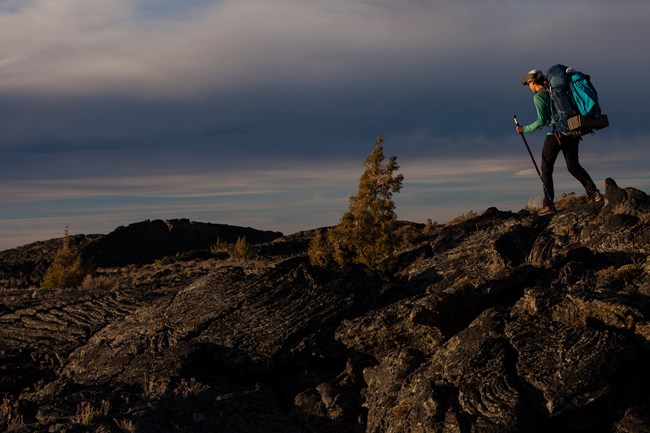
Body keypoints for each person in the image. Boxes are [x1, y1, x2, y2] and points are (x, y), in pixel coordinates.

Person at [516, 69, 602, 215]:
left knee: (546, 168)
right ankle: (595, 194)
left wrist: (524, 129)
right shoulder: (555, 91)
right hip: (572, 130)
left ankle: (549, 204)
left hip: (555, 134)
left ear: (532, 82)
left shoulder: (539, 97)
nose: (529, 87)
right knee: (573, 165)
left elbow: (542, 121)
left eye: (528, 83)